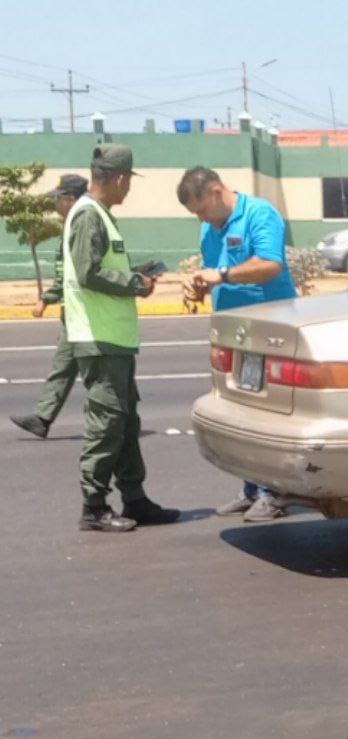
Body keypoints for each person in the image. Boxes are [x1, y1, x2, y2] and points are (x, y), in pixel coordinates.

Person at [64, 144, 178, 533]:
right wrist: (134, 283)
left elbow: (100, 269)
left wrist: (136, 276)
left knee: (126, 422)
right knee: (106, 423)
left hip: (115, 339)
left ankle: (135, 499)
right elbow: (87, 272)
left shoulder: (102, 216)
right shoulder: (88, 216)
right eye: (128, 181)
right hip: (98, 339)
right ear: (118, 178)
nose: (128, 189)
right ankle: (93, 507)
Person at [177, 166, 297, 523]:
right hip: (232, 331)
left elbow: (270, 264)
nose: (200, 218)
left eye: (200, 209)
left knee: (268, 413)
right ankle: (251, 489)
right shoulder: (209, 227)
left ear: (216, 192)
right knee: (240, 411)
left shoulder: (260, 214)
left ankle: (273, 493)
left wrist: (224, 275)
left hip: (268, 327)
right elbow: (214, 270)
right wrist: (200, 285)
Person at [10, 174, 90, 440]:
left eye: (58, 199)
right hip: (74, 312)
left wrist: (46, 297)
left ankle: (120, 420)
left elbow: (77, 272)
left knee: (101, 375)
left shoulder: (82, 225)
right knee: (63, 366)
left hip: (87, 313)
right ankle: (42, 419)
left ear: (69, 199)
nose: (55, 205)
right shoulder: (71, 225)